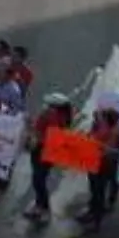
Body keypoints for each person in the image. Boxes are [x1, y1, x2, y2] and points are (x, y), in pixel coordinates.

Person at [23, 93, 75, 223]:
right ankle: (38, 205)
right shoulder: (53, 116)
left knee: (39, 179)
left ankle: (44, 208)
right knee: (37, 179)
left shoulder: (54, 118)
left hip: (45, 151)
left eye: (50, 105)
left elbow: (49, 137)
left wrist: (36, 135)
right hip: (40, 150)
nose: (46, 107)